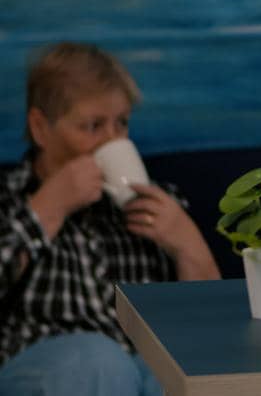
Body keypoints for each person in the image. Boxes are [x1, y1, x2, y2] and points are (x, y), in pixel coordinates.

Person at [0, 43, 219, 395]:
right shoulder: (9, 200)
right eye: (93, 126)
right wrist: (43, 212)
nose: (112, 140)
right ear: (41, 128)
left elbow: (212, 336)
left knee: (170, 372)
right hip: (40, 370)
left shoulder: (155, 205)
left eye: (121, 124)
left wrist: (187, 244)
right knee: (97, 360)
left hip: (138, 374)